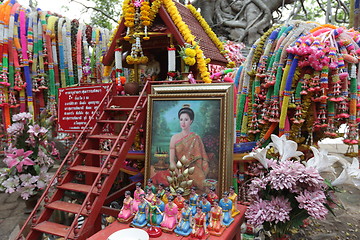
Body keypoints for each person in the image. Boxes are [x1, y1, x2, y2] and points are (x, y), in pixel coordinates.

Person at [169, 104, 209, 190]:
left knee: (202, 183)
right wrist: (178, 173)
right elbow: (171, 161)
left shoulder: (196, 138)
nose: (183, 123)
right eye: (181, 119)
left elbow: (200, 159)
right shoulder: (174, 138)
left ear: (191, 121)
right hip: (178, 170)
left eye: (186, 120)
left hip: (193, 169)